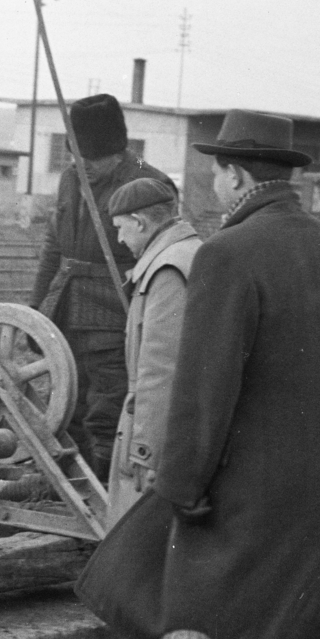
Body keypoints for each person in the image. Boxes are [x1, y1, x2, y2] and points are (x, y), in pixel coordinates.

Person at [77, 110, 320, 639]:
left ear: (237, 176)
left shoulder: (230, 254)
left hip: (237, 493)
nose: (214, 183)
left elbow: (203, 392)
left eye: (218, 170)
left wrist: (182, 488)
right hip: (316, 490)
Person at [30, 94, 164, 479]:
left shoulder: (148, 182)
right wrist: (38, 307)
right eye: (76, 156)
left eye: (91, 159)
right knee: (66, 403)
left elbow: (159, 257)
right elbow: (54, 243)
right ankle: (75, 487)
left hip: (114, 312)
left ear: (117, 152)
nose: (81, 166)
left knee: (106, 414)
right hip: (66, 308)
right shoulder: (72, 176)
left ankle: (107, 497)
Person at [103, 175, 201, 528]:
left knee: (135, 539)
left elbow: (161, 370)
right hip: (183, 426)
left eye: (120, 228)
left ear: (140, 222)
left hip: (158, 434)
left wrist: (144, 451)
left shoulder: (166, 270)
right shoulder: (192, 252)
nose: (119, 238)